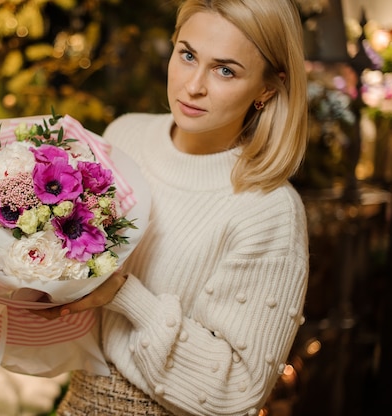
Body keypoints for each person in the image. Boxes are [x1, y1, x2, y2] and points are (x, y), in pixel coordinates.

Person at [33, 0, 310, 415]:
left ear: (268, 88)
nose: (193, 85)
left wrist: (125, 296)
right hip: (78, 401)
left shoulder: (270, 211)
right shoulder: (123, 135)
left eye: (225, 70)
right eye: (187, 55)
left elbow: (237, 393)